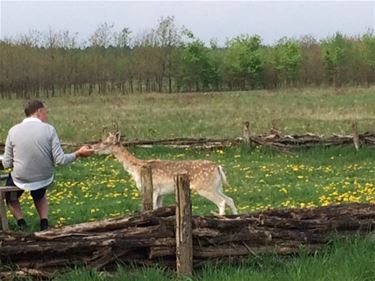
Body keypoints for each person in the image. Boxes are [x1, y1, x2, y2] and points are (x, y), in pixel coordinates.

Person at [2, 100, 94, 231]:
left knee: (10, 195)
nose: (47, 115)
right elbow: (60, 160)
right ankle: (44, 222)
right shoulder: (49, 130)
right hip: (43, 177)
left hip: (21, 178)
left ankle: (21, 222)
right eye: (46, 112)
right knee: (39, 191)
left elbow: (6, 163)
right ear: (39, 112)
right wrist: (78, 153)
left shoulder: (13, 131)